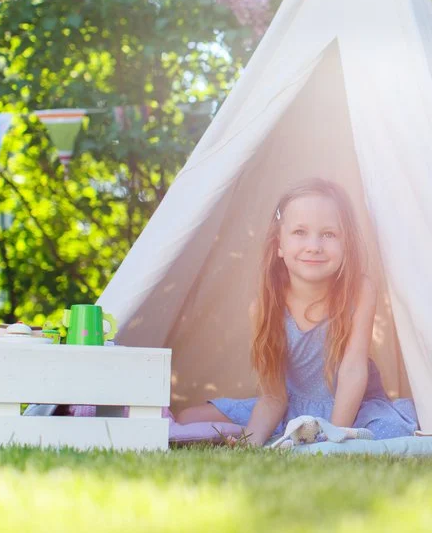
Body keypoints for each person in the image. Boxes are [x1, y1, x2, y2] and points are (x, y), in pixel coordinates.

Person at [176, 178, 418, 446]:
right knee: (189, 418)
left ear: (346, 243)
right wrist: (250, 443)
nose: (314, 245)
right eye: (300, 232)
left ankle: (306, 436)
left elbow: (352, 370)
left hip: (352, 407)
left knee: (390, 430)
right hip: (291, 406)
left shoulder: (359, 291)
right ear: (279, 244)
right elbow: (273, 397)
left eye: (328, 234)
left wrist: (333, 435)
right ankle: (278, 434)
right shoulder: (264, 307)